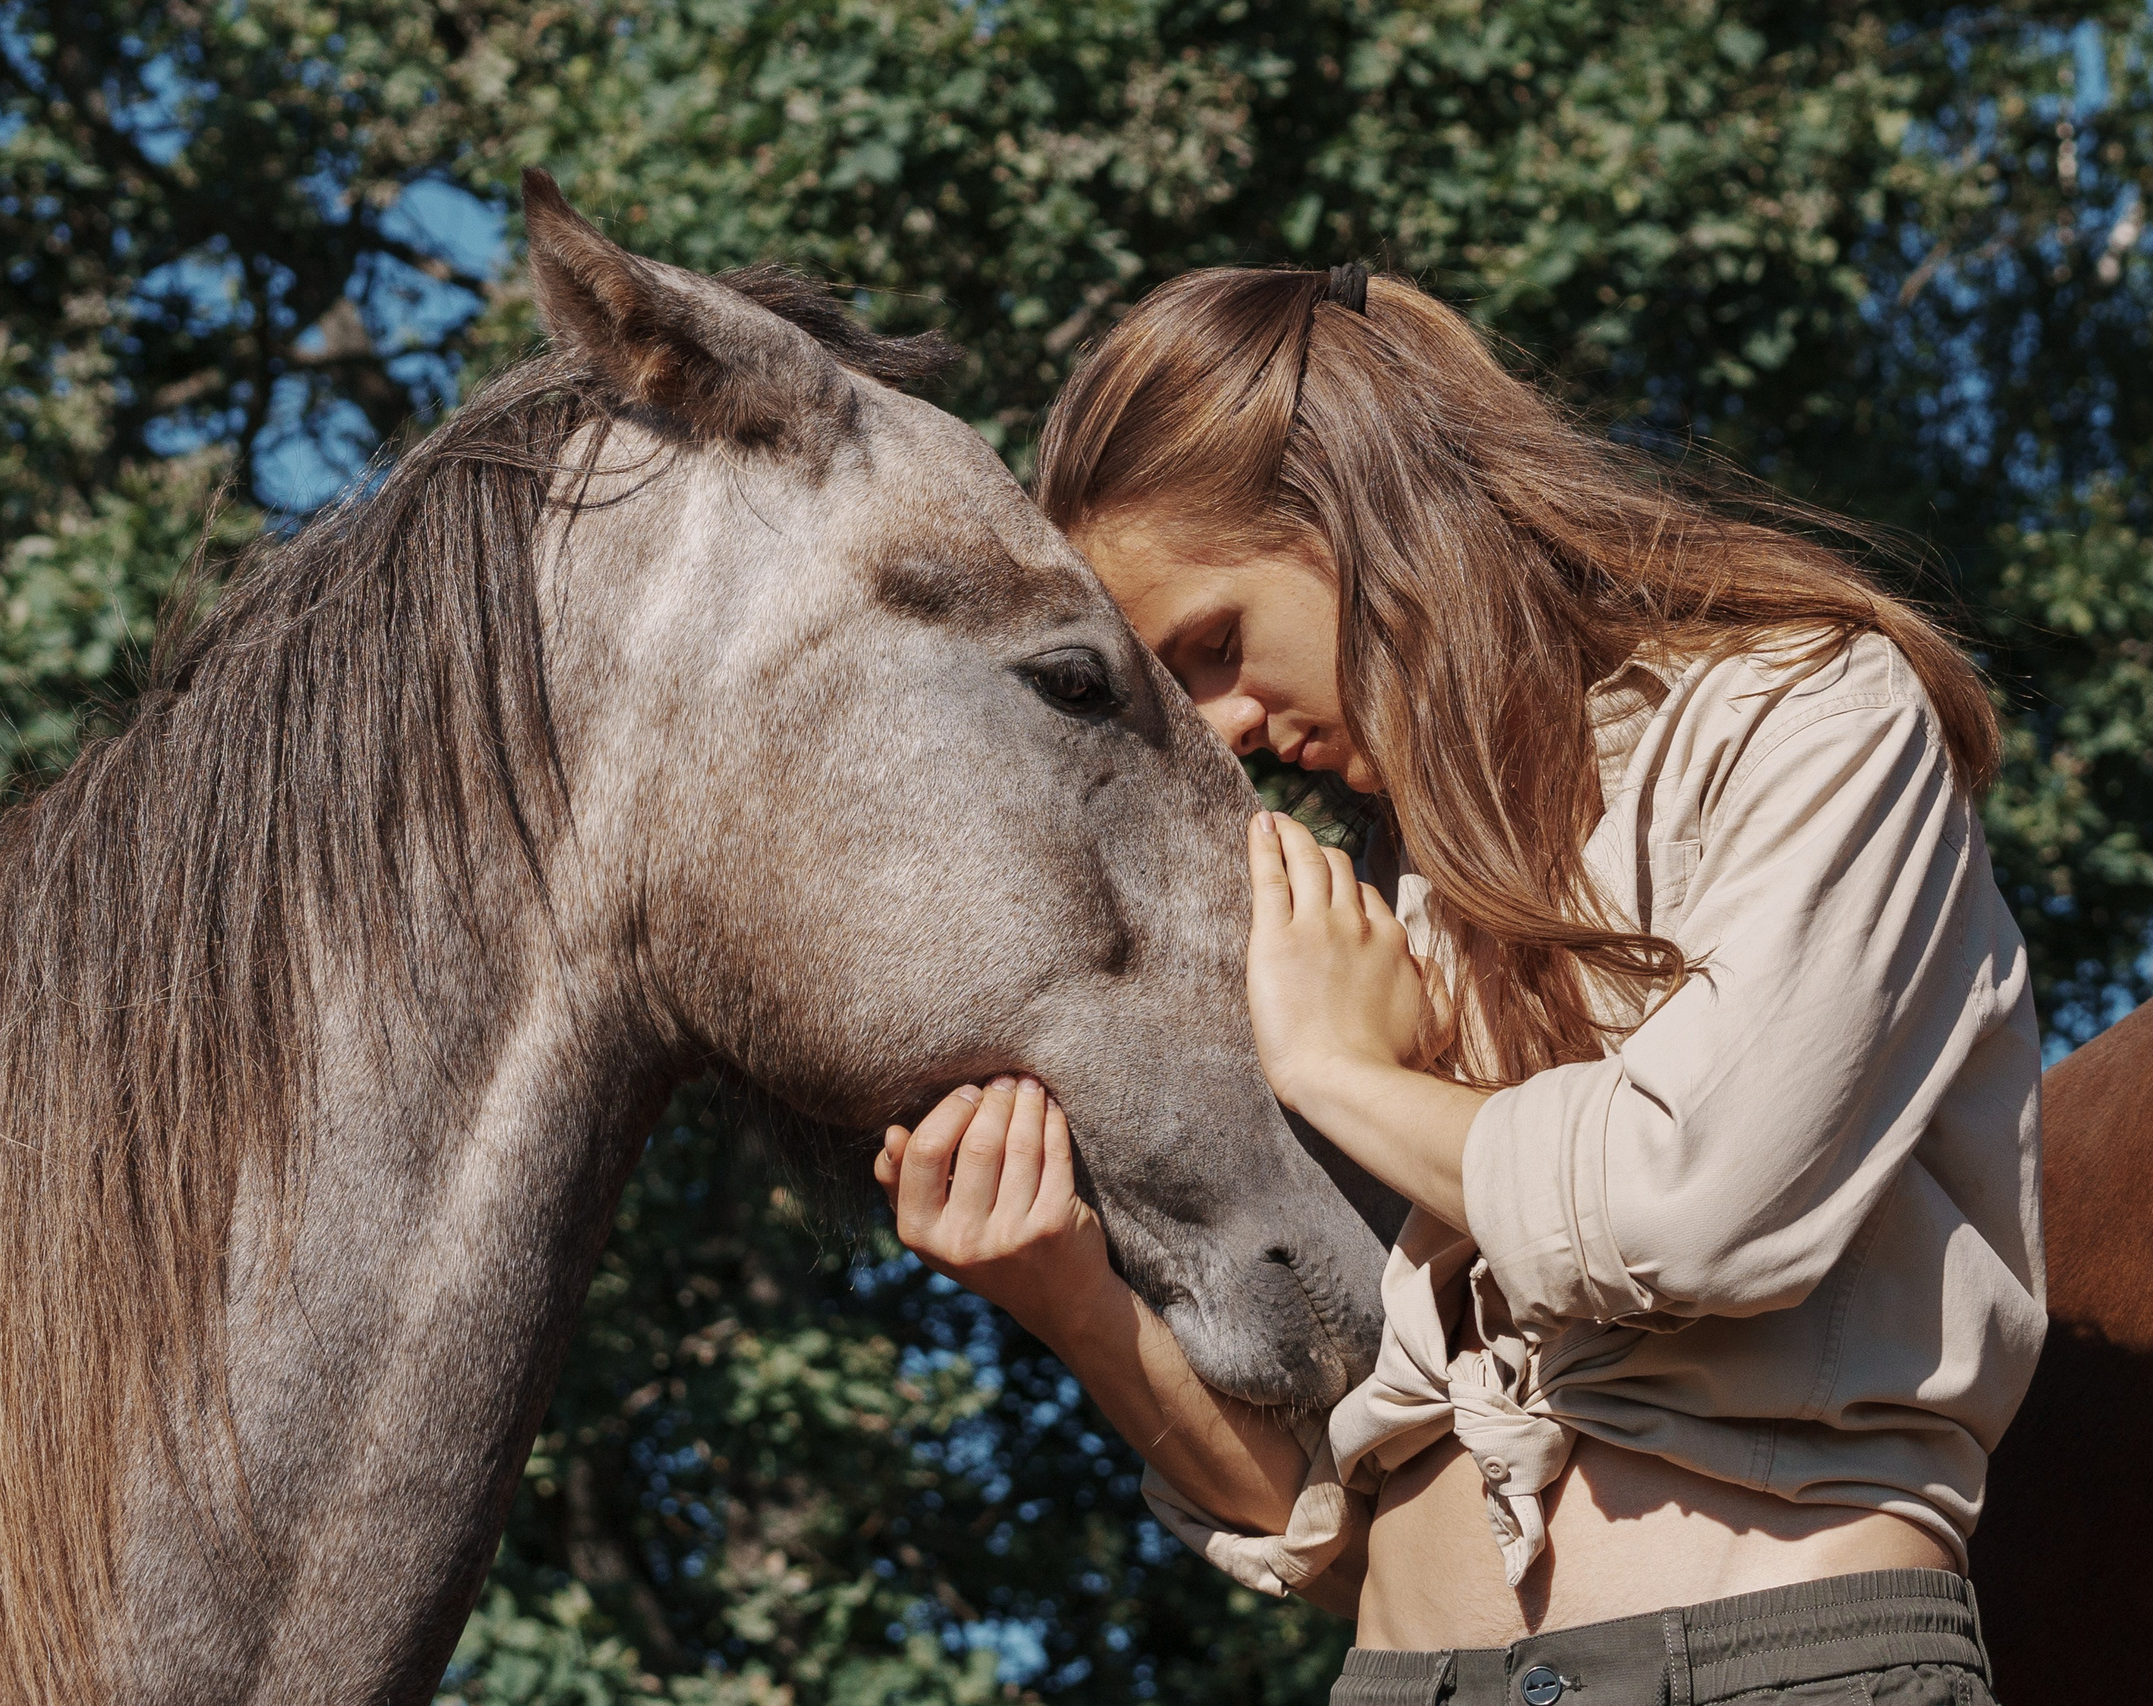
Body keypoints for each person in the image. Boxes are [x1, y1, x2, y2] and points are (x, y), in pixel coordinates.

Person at [874, 263, 2044, 1706]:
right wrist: (1065, 1295)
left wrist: (1348, 1078)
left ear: (1360, 508)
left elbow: (1699, 1206)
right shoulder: (1371, 914)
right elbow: (1325, 1509)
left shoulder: (1806, 712)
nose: (1227, 733)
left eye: (1219, 646)